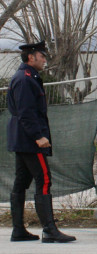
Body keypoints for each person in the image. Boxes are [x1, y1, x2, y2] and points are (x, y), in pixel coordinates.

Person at [7, 40, 76, 243]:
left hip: (22, 138)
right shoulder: (26, 79)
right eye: (42, 56)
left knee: (21, 182)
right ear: (31, 57)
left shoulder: (27, 77)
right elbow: (26, 112)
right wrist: (38, 136)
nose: (45, 59)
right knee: (44, 179)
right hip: (30, 140)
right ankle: (49, 230)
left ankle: (18, 230)